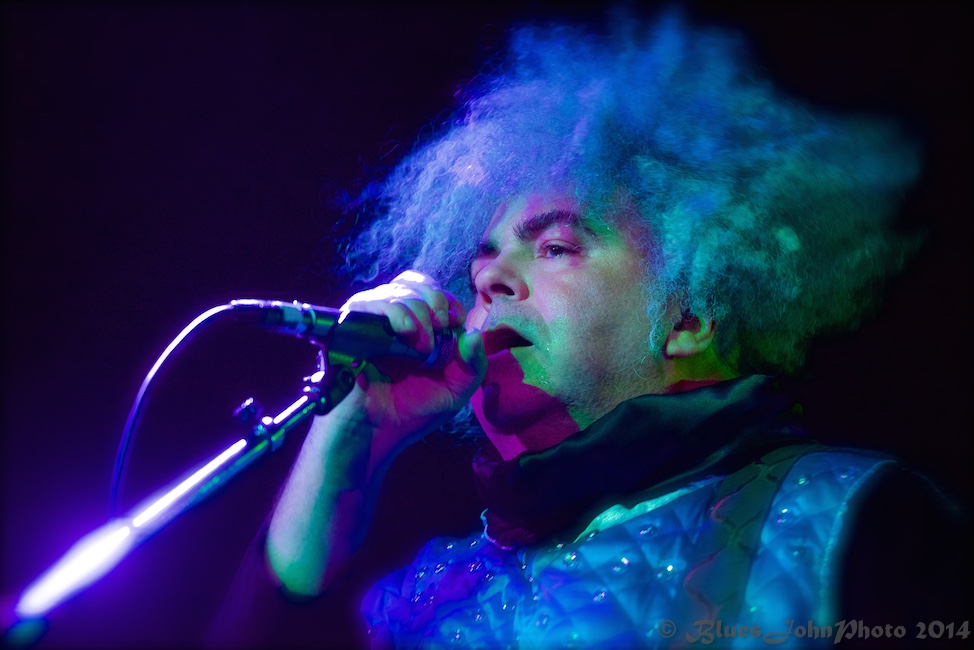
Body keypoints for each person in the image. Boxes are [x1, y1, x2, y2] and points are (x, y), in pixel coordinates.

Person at [253, 8, 968, 648]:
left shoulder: (856, 517)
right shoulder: (424, 596)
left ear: (689, 314)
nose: (491, 281)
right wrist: (348, 433)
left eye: (557, 246)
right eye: (481, 269)